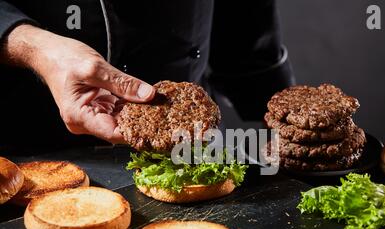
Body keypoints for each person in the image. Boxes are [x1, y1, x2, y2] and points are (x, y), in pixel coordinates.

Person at [0, 0, 295, 149]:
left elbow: (245, 20)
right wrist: (37, 48)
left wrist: (292, 125)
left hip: (192, 145)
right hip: (32, 143)